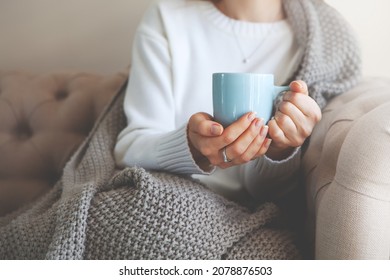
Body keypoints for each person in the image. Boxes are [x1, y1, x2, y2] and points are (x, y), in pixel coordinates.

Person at [114, 0, 360, 204]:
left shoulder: (326, 43)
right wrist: (191, 147)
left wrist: (279, 150)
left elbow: (277, 197)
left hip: (254, 214)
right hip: (161, 198)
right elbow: (129, 148)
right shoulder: (167, 19)